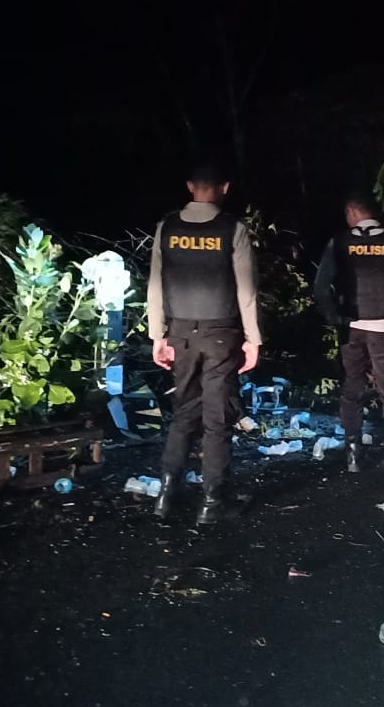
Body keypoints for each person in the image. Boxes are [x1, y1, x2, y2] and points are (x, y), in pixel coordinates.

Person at [147, 160, 262, 525]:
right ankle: (212, 503)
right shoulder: (233, 229)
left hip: (179, 332)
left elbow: (155, 286)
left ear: (189, 186)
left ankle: (166, 494)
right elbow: (246, 290)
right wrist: (252, 338)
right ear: (224, 188)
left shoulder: (167, 228)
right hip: (220, 335)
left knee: (183, 412)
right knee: (216, 419)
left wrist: (157, 335)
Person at [314, 193, 384, 475]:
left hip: (351, 328)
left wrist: (335, 318)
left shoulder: (340, 243)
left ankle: (353, 456)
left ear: (351, 211)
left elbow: (321, 288)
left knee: (351, 389)